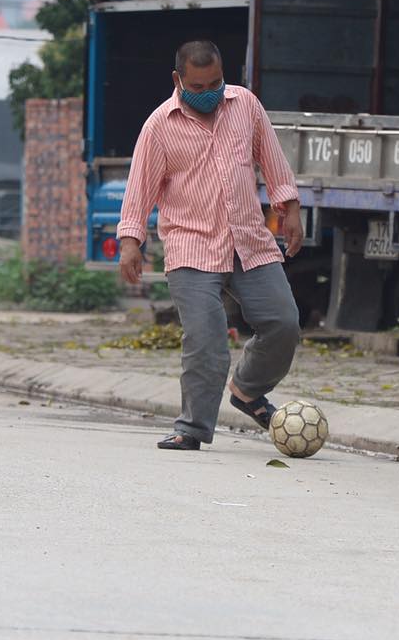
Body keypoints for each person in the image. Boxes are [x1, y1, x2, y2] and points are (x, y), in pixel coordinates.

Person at [117, 40, 304, 450]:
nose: (209, 92)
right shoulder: (159, 126)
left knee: (284, 323)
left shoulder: (245, 106)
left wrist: (288, 207)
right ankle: (193, 428)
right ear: (177, 80)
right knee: (206, 341)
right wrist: (131, 242)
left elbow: (273, 160)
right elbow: (139, 191)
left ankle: (248, 389)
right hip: (191, 246)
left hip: (249, 241)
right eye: (198, 85)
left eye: (216, 82)